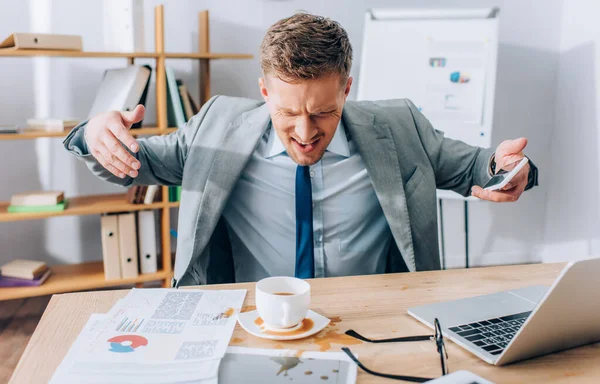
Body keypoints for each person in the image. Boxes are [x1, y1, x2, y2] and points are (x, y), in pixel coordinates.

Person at [64, 13, 538, 287]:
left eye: (323, 112)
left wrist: (509, 167)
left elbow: (478, 166)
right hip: (254, 315)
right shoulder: (217, 125)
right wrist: (94, 134)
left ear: (347, 88)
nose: (306, 132)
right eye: (289, 112)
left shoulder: (399, 125)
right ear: (264, 91)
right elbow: (134, 164)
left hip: (372, 317)